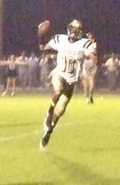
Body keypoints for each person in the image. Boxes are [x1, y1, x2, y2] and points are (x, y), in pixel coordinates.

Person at [37, 19, 97, 149]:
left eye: (77, 30)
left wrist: (93, 51)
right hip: (58, 73)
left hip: (71, 81)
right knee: (58, 90)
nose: (75, 32)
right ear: (69, 29)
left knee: (60, 111)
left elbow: (94, 58)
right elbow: (42, 48)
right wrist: (40, 35)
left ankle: (48, 132)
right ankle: (49, 112)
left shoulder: (84, 44)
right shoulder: (60, 39)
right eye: (73, 29)